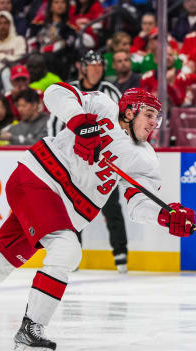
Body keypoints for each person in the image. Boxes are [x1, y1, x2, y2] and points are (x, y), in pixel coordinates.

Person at [0, 85, 196, 350]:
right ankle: (31, 330)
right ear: (130, 110)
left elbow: (137, 204)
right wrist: (79, 122)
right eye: (148, 114)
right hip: (36, 180)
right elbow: (55, 93)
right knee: (67, 249)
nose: (153, 123)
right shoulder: (103, 107)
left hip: (57, 211)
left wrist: (164, 216)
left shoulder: (145, 159)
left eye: (157, 117)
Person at [68, 50, 130, 273]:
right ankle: (71, 255)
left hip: (104, 161)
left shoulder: (110, 91)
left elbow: (124, 123)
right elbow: (56, 123)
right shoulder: (71, 90)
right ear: (83, 67)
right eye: (91, 65)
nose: (96, 69)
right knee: (73, 209)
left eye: (99, 65)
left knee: (111, 206)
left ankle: (120, 253)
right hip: (76, 161)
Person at [0, 10, 27, 75]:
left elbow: (19, 61)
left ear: (11, 25)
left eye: (6, 23)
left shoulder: (19, 40)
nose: (2, 26)